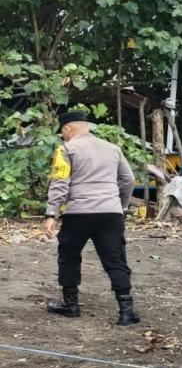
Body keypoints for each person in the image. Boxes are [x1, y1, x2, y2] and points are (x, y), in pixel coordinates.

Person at [43, 111, 139, 325]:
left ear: (67, 128)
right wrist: (119, 205)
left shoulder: (66, 149)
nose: (63, 136)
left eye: (62, 132)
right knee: (115, 259)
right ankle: (126, 311)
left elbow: (60, 183)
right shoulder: (113, 148)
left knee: (69, 256)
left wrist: (51, 214)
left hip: (78, 212)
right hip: (111, 213)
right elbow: (129, 180)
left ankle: (71, 305)